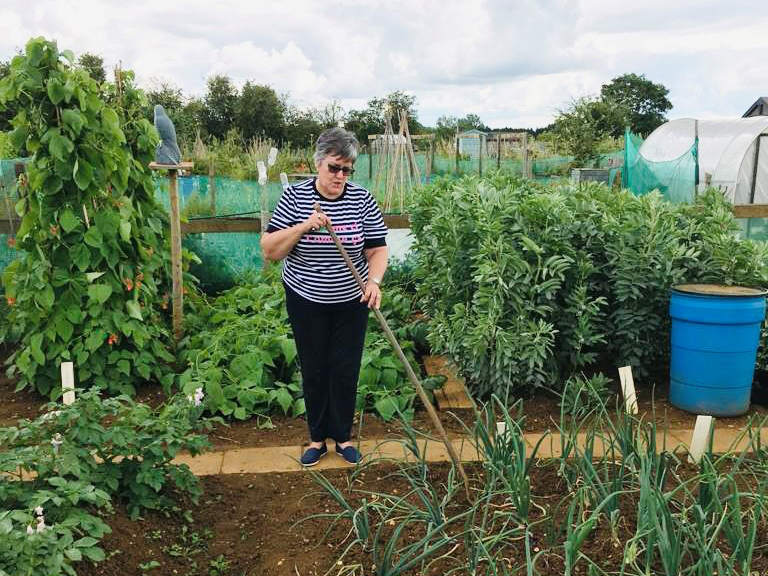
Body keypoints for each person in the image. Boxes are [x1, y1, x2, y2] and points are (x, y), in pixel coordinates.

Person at [260, 127, 388, 466]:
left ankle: (343, 437)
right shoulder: (296, 199)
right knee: (315, 367)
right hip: (306, 298)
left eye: (347, 169)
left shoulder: (361, 199)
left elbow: (377, 249)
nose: (341, 176)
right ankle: (317, 439)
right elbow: (270, 249)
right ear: (318, 164)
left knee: (345, 368)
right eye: (334, 167)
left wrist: (374, 281)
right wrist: (303, 226)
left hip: (351, 299)